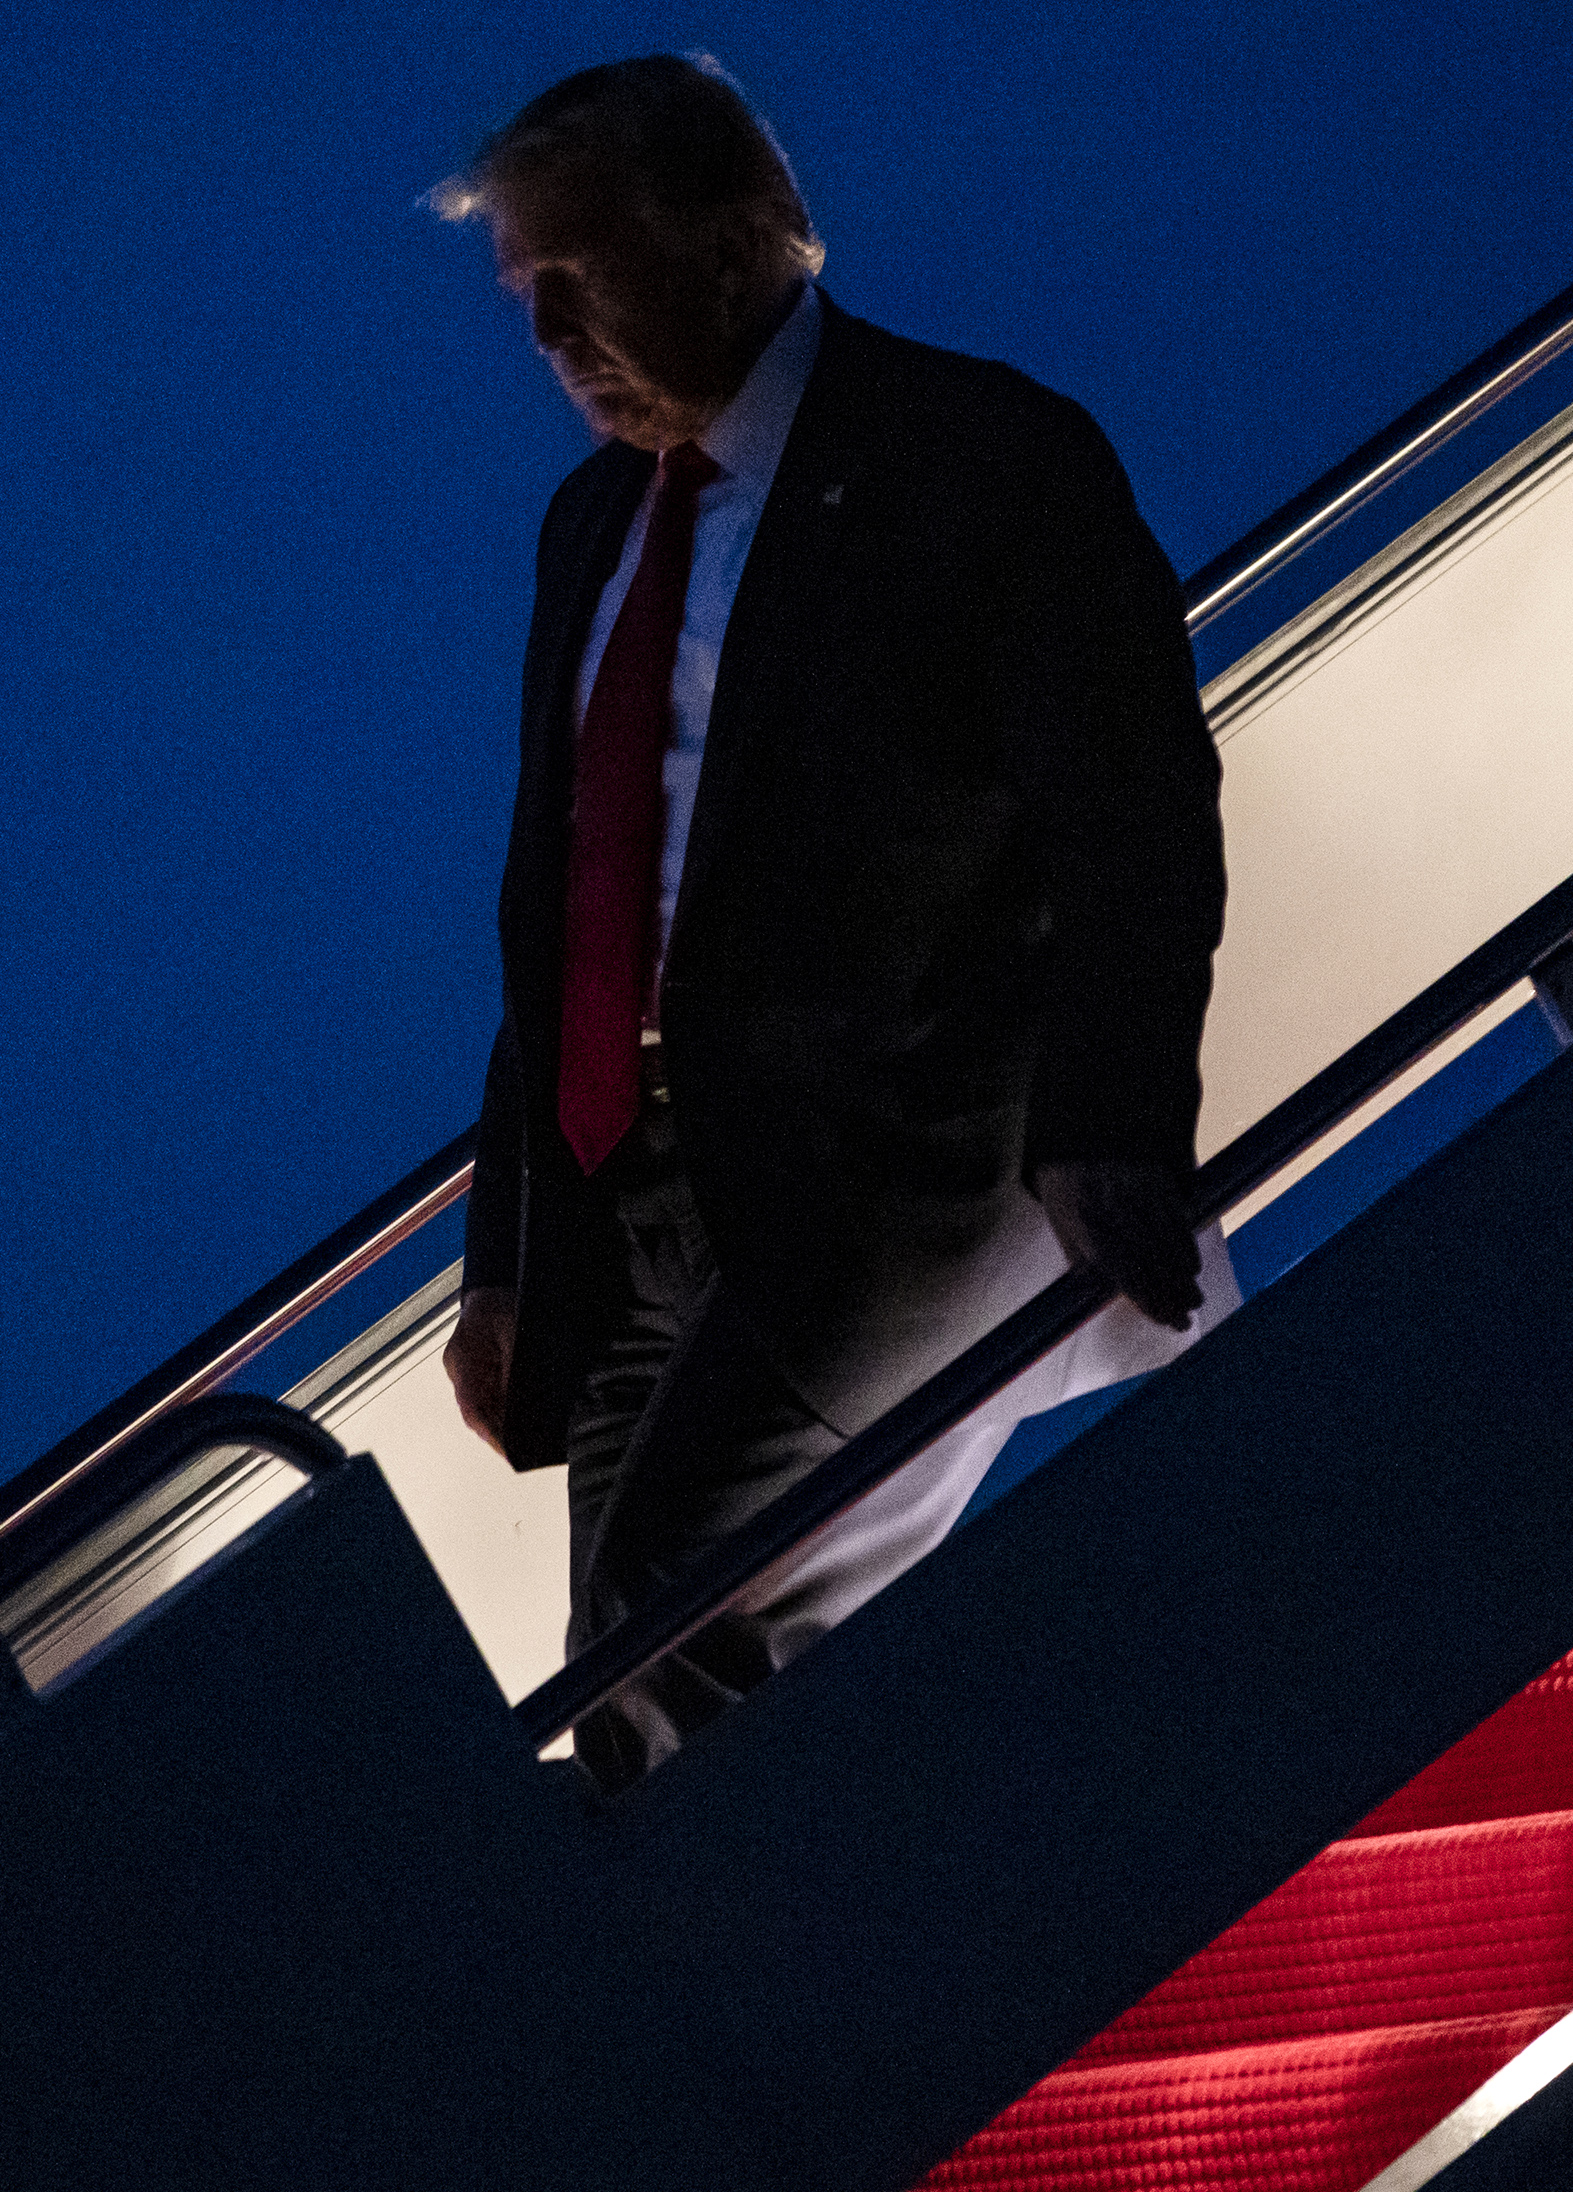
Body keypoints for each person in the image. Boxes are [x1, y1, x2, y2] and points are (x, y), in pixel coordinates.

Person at [432, 56, 1230, 1789]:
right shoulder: (590, 526)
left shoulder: (978, 454)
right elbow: (556, 904)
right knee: (650, 1685)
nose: (548, 334)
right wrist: (508, 1251)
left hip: (891, 1173)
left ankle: (663, 2046)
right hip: (633, 1197)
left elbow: (1138, 814)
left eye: (580, 275)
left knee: (663, 1636)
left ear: (730, 244)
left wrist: (1110, 1129)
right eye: (525, 295)